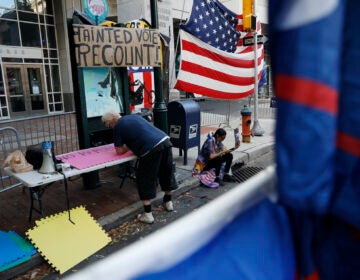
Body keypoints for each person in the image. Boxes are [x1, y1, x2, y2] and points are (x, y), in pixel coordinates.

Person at [101, 110, 178, 224]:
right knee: (166, 173)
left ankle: (148, 215)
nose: (110, 127)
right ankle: (168, 203)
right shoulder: (134, 117)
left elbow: (119, 151)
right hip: (165, 141)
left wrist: (127, 146)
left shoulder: (118, 126)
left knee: (145, 179)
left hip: (150, 149)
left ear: (111, 121)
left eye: (108, 125)